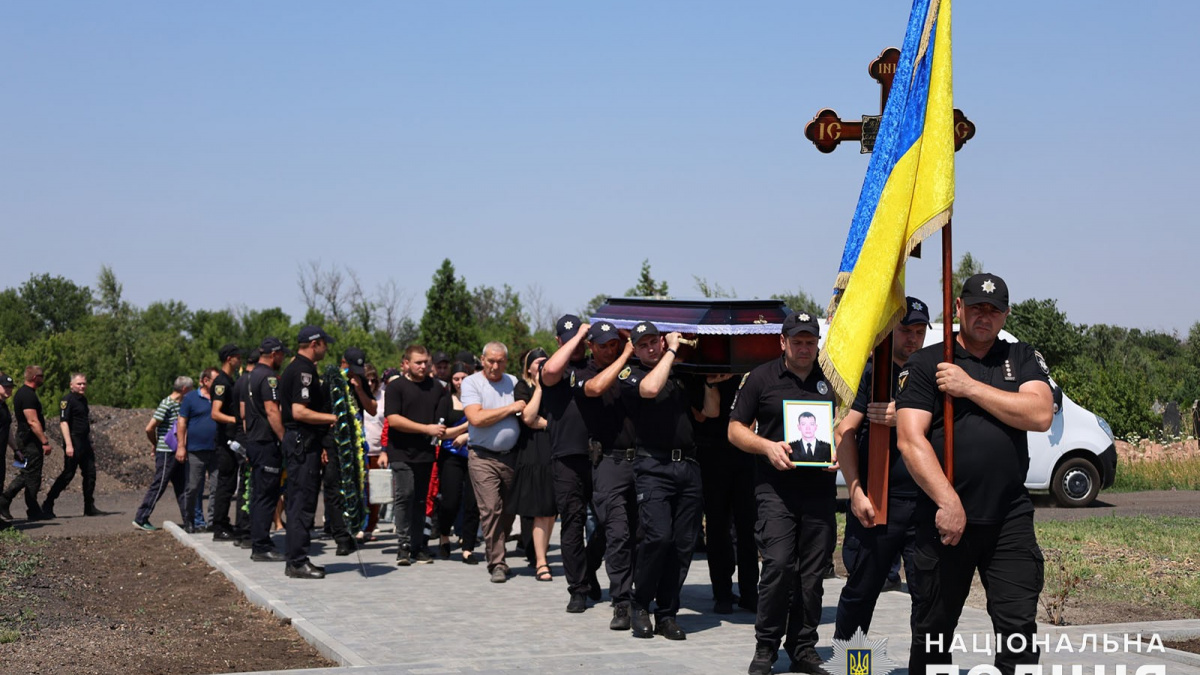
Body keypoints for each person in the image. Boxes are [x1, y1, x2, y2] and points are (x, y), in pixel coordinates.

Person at [896, 274, 1054, 675]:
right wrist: (948, 502)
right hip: (945, 520)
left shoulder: (1020, 357)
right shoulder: (927, 363)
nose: (985, 316)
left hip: (1009, 518)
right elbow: (910, 441)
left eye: (994, 309)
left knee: (1019, 630)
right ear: (958, 308)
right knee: (933, 633)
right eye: (977, 307)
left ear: (1005, 315)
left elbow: (1039, 414)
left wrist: (969, 387)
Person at [728, 312, 839, 675]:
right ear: (783, 342)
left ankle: (803, 648)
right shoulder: (761, 378)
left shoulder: (832, 380)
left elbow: (846, 427)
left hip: (819, 493)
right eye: (797, 341)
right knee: (777, 565)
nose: (804, 347)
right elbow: (734, 430)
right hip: (774, 491)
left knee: (813, 575)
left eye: (810, 341)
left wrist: (839, 449)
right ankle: (766, 648)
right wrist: (766, 447)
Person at [834, 297, 930, 641]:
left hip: (924, 505)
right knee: (861, 595)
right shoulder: (870, 374)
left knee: (928, 600)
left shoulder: (932, 374)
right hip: (877, 503)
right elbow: (844, 431)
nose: (913, 339)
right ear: (889, 330)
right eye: (906, 330)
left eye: (919, 332)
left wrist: (904, 417)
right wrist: (856, 490)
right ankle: (852, 667)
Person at [619, 321, 703, 641]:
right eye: (644, 345)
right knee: (658, 537)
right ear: (635, 349)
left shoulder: (678, 374)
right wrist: (671, 350)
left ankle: (667, 613)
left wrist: (711, 381)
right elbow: (651, 389)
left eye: (655, 341)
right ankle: (639, 603)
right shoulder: (631, 374)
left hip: (688, 467)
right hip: (653, 465)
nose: (651, 348)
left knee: (682, 545)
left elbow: (707, 413)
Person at [540, 315, 605, 612]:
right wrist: (577, 337)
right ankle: (577, 588)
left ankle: (589, 567)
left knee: (609, 522)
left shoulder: (596, 363)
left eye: (579, 338)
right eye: (567, 339)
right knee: (573, 523)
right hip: (567, 456)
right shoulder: (553, 368)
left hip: (603, 454)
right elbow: (552, 369)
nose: (575, 345)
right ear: (559, 341)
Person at [578, 322, 639, 630]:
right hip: (609, 463)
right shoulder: (582, 373)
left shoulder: (633, 367)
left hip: (640, 461)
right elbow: (597, 388)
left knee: (637, 532)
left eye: (614, 344)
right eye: (602, 345)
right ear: (591, 346)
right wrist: (626, 355)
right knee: (618, 533)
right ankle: (622, 603)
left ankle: (596, 570)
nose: (609, 349)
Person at [687, 369, 758, 615]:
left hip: (745, 456)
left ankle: (750, 592)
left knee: (748, 527)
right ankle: (723, 593)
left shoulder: (748, 372)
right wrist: (710, 383)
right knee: (717, 528)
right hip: (712, 453)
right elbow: (705, 414)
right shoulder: (699, 372)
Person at [279, 325, 340, 579]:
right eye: (325, 343)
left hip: (303, 441)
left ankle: (296, 558)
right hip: (302, 442)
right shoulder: (303, 370)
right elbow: (299, 411)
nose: (327, 348)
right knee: (302, 504)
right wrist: (331, 418)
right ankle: (297, 561)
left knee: (300, 502)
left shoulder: (297, 367)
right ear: (315, 344)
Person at [462, 341, 525, 583]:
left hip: (511, 456)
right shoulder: (472, 383)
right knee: (491, 509)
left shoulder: (512, 382)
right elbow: (476, 418)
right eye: (491, 360)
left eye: (500, 361)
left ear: (506, 362)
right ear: (482, 359)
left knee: (509, 510)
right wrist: (510, 409)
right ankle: (497, 562)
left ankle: (498, 548)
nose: (495, 366)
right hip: (482, 456)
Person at [383, 344, 450, 565]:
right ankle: (403, 544)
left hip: (426, 453)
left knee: (421, 499)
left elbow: (441, 419)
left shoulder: (437, 388)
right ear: (406, 364)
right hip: (401, 451)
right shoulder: (396, 387)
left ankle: (419, 544)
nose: (422, 366)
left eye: (425, 362)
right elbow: (393, 419)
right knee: (405, 494)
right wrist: (426, 428)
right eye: (418, 362)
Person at [320, 347, 375, 557]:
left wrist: (360, 389)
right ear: (343, 363)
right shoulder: (330, 382)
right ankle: (340, 537)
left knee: (356, 488)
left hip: (356, 445)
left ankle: (354, 530)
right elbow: (321, 415)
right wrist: (324, 445)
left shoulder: (360, 382)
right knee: (334, 489)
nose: (353, 373)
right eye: (350, 368)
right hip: (334, 444)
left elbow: (372, 409)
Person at [511, 349, 557, 583]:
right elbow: (529, 418)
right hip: (533, 452)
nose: (542, 367)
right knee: (539, 510)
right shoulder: (523, 387)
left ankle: (542, 554)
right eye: (538, 363)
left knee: (551, 510)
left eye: (546, 363)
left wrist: (547, 424)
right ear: (529, 367)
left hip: (554, 451)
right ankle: (541, 561)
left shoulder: (556, 386)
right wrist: (539, 387)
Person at [244, 338, 287, 561]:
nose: (283, 359)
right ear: (274, 354)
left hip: (254, 441)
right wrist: (284, 440)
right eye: (281, 355)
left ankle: (259, 540)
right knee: (266, 495)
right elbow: (272, 411)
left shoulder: (251, 376)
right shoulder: (269, 377)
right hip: (265, 443)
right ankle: (261, 546)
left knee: (259, 493)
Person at [132, 376, 193, 531]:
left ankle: (189, 521)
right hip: (167, 452)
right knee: (159, 485)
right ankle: (141, 517)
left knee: (182, 486)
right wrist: (156, 444)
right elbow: (150, 428)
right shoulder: (167, 404)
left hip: (178, 450)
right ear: (185, 389)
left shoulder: (181, 404)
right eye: (191, 389)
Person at [435, 362, 480, 564]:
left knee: (472, 503)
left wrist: (466, 435)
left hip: (474, 455)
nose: (460, 382)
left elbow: (484, 423)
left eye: (464, 377)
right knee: (451, 501)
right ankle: (444, 534)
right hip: (450, 457)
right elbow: (442, 433)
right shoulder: (445, 400)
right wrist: (466, 426)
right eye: (456, 378)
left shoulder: (478, 399)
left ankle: (468, 547)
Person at [43, 372, 101, 518]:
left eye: (84, 384)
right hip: (73, 441)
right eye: (79, 384)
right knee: (68, 474)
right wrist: (69, 445)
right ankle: (48, 503)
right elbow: (63, 423)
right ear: (71, 385)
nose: (82, 386)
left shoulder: (83, 400)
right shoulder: (67, 400)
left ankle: (89, 506)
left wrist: (89, 442)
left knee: (90, 473)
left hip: (84, 442)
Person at [178, 368, 219, 532]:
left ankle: (212, 522)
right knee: (193, 487)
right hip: (196, 450)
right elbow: (181, 423)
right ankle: (192, 520)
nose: (218, 384)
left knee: (217, 487)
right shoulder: (190, 398)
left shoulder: (219, 397)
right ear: (205, 380)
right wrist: (181, 446)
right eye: (215, 380)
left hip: (216, 450)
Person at [210, 343, 243, 541]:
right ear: (229, 359)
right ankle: (219, 526)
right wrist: (236, 420)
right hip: (225, 441)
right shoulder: (221, 382)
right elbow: (215, 413)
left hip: (231, 440)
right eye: (238, 357)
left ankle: (224, 523)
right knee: (225, 484)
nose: (240, 360)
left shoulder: (230, 380)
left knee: (230, 484)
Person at [230, 347, 261, 548]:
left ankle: (243, 531)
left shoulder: (241, 380)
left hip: (243, 439)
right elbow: (243, 416)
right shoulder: (249, 381)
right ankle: (246, 531)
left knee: (245, 486)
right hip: (248, 439)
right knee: (250, 486)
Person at [0, 373, 17, 526]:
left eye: (10, 387)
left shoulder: (4, 406)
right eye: (5, 386)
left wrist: (16, 449)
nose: (8, 390)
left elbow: (8, 430)